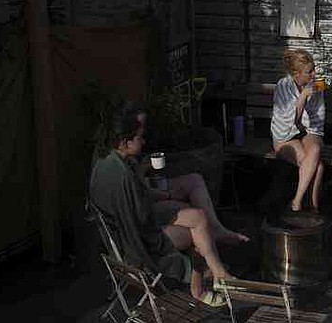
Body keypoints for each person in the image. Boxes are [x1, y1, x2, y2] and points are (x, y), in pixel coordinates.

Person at [89, 102, 236, 307]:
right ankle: (200, 289)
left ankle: (218, 272)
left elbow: (139, 205)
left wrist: (155, 186)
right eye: (140, 137)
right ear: (124, 141)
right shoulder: (122, 177)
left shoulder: (107, 159)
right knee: (198, 235)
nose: (144, 140)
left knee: (199, 217)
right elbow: (141, 223)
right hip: (136, 243)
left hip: (125, 231)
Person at [271, 49, 325, 212]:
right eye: (310, 71)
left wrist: (311, 95)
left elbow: (317, 118)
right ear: (297, 74)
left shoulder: (316, 87)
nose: (314, 74)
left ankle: (297, 202)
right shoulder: (283, 86)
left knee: (314, 148)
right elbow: (288, 121)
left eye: (314, 69)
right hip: (286, 136)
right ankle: (314, 207)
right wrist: (302, 98)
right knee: (318, 166)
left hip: (309, 132)